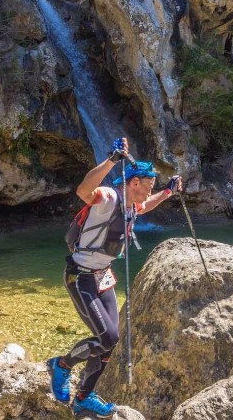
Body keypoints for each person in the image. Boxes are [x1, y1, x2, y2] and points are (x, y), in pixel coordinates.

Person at [47, 137, 182, 418]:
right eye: (150, 184)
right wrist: (111, 160)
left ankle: (84, 396)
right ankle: (61, 365)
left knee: (112, 339)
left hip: (103, 276)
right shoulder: (109, 198)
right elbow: (84, 190)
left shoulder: (133, 205)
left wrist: (167, 193)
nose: (151, 189)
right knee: (106, 337)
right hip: (81, 276)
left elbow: (145, 207)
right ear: (134, 183)